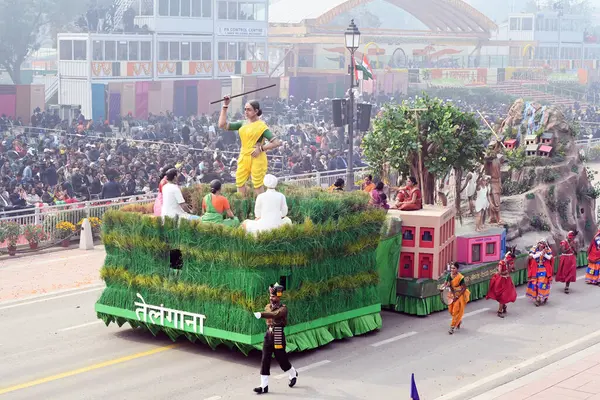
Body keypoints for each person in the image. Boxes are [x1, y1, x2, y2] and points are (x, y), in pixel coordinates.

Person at [218, 97, 282, 196]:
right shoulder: (242, 123)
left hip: (257, 157)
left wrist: (261, 148)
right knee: (239, 182)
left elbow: (276, 142)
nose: (246, 112)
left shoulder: (262, 126)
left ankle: (260, 208)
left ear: (256, 111)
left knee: (257, 184)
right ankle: (242, 206)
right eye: (245, 109)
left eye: (249, 109)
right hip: (244, 156)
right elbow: (222, 125)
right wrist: (225, 105)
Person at [252, 283, 298, 394]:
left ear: (278, 296)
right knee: (265, 359)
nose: (271, 298)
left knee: (281, 359)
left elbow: (275, 315)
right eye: (270, 296)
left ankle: (292, 373)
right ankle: (264, 386)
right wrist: (265, 314)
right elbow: (269, 314)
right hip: (269, 334)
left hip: (278, 334)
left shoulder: (283, 309)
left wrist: (261, 314)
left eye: (273, 296)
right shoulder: (267, 306)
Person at [486, 248, 517, 317]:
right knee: (502, 295)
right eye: (510, 260)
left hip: (507, 280)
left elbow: (513, 269)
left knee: (506, 295)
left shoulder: (511, 262)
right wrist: (507, 270)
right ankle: (499, 311)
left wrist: (512, 268)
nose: (511, 261)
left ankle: (503, 306)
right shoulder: (502, 263)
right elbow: (500, 273)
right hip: (501, 280)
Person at [441, 262, 470, 335]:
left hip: (459, 295)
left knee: (455, 311)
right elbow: (445, 283)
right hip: (451, 294)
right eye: (451, 268)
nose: (452, 269)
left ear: (457, 269)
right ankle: (458, 321)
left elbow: (464, 288)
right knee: (450, 310)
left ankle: (452, 327)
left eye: (454, 268)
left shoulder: (460, 277)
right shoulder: (449, 275)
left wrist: (457, 296)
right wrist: (442, 287)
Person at [526, 240, 553, 306]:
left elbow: (550, 258)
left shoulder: (547, 249)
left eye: (543, 244)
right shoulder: (534, 249)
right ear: (538, 243)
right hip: (535, 269)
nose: (541, 245)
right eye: (540, 243)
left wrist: (545, 254)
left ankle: (539, 299)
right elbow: (530, 257)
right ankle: (537, 297)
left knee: (541, 284)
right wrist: (540, 253)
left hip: (543, 269)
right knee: (534, 284)